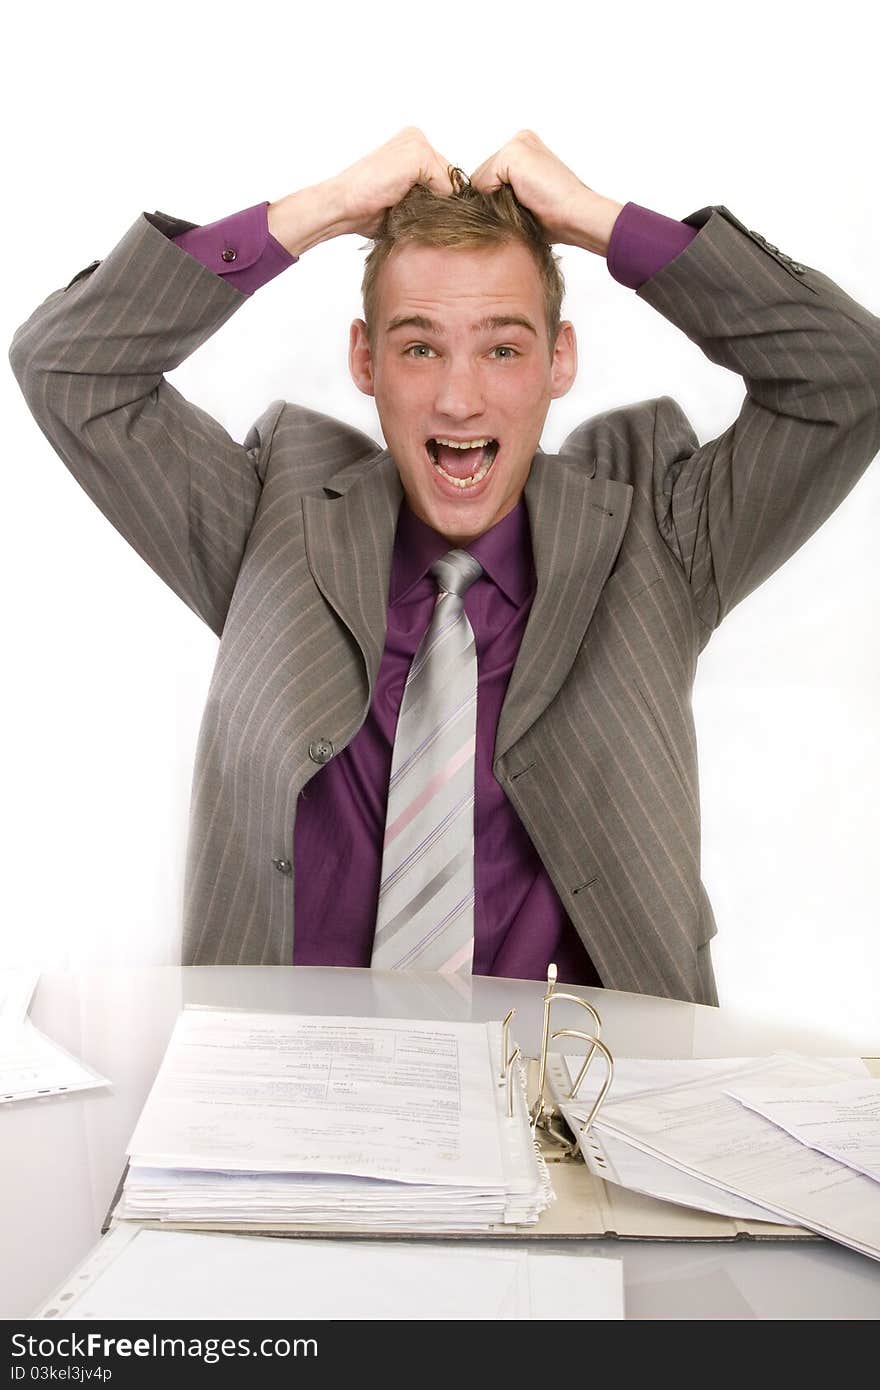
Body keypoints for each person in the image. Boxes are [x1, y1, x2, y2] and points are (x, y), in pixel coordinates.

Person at [9, 129, 880, 1002]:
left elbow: (848, 377)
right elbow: (72, 366)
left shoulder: (659, 527)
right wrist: (325, 209)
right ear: (365, 360)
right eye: (419, 347)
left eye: (503, 348)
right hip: (286, 1090)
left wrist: (598, 223)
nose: (459, 398)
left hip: (584, 1094)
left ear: (558, 360)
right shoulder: (272, 516)